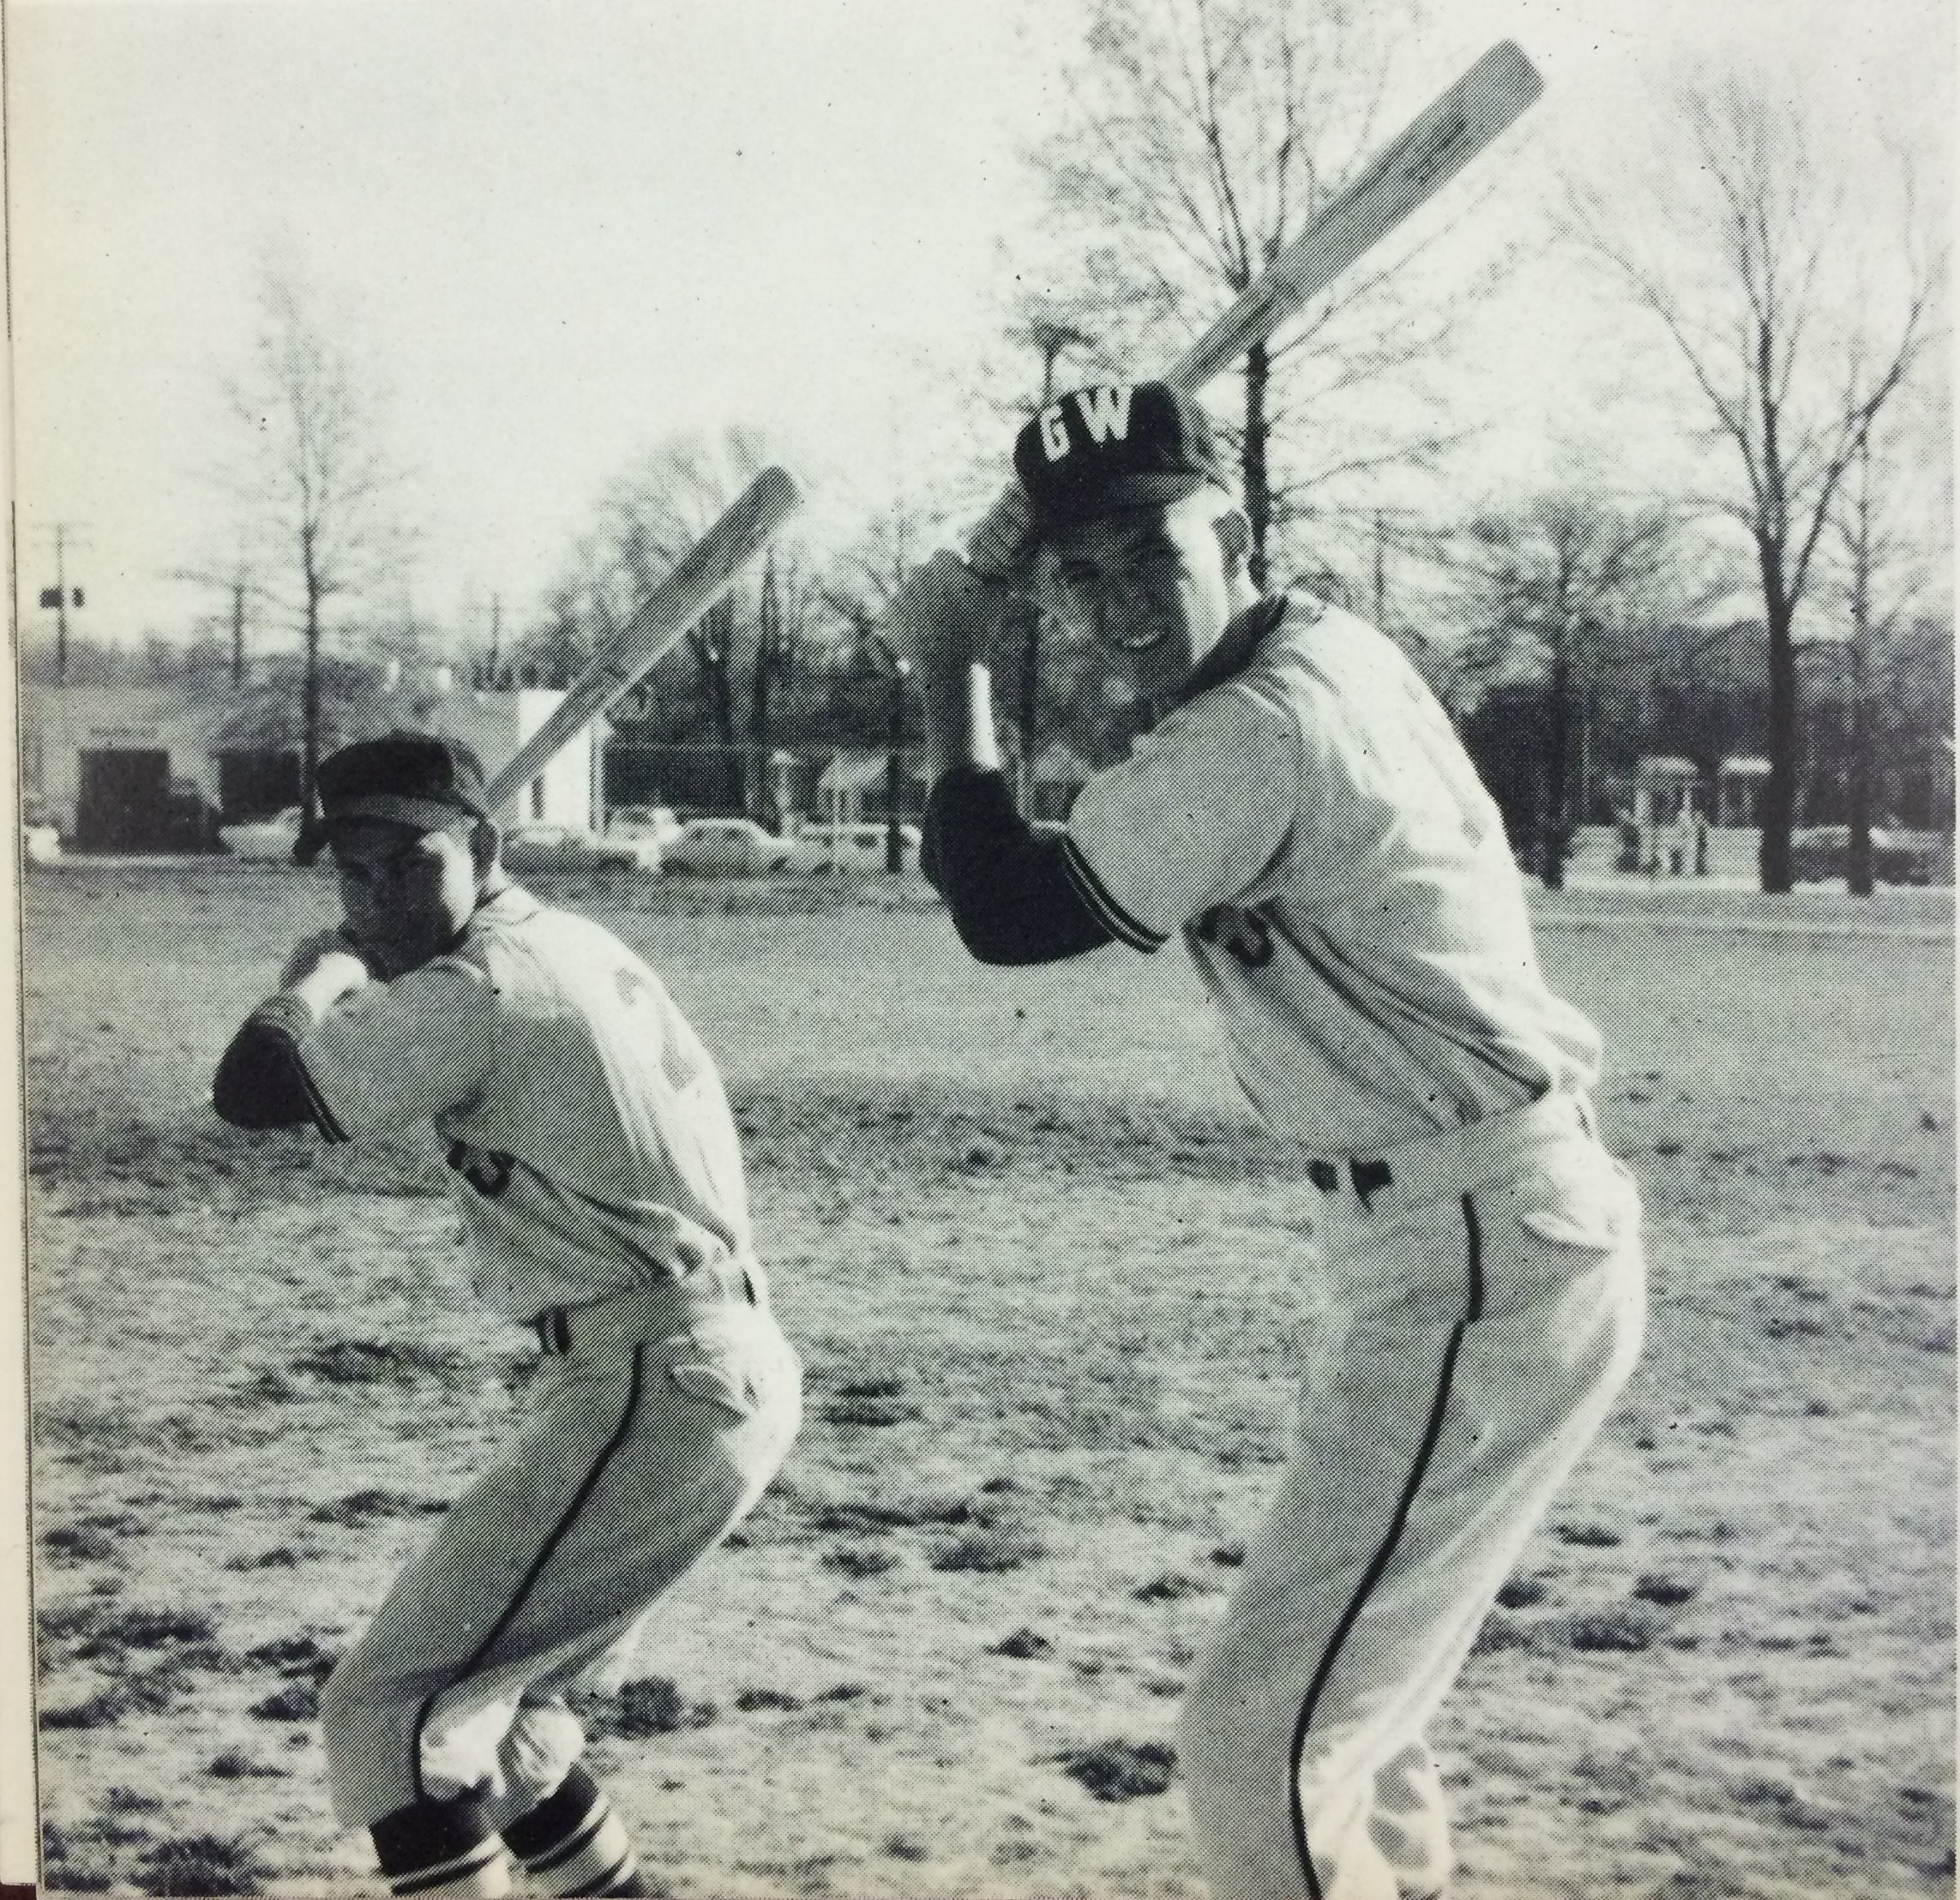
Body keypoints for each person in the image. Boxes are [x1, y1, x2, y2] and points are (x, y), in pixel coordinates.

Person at [891, 382, 1646, 1900]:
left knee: (1259, 1744)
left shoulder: (1264, 728)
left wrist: (951, 674)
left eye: (1149, 554)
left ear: (1230, 529)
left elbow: (1011, 913)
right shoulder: (1320, 649)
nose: (1119, 606)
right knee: (1352, 1728)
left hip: (1474, 1252)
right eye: (1082, 573)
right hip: (1469, 1238)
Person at [212, 733, 802, 1900]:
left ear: (481, 846)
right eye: (354, 873)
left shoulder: (479, 988)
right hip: (701, 1365)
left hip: (657, 1374)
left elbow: (249, 1090)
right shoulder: (566, 938)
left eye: (409, 865)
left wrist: (319, 980)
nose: (378, 898)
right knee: (515, 1733)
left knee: (387, 1718)